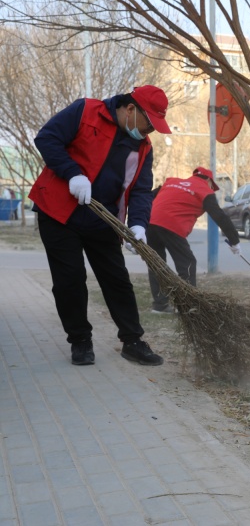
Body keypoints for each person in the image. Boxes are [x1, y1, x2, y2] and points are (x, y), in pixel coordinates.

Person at [31, 85, 172, 367]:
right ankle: (80, 341)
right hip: (60, 213)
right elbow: (46, 138)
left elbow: (142, 189)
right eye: (149, 124)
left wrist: (139, 225)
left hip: (103, 219)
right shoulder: (85, 111)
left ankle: (132, 341)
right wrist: (72, 174)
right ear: (131, 110)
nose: (150, 132)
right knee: (70, 280)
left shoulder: (143, 147)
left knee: (117, 279)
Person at [147, 167, 241, 313]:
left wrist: (137, 224)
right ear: (208, 181)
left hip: (150, 223)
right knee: (187, 263)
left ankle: (160, 306)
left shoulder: (171, 182)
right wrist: (234, 240)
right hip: (172, 225)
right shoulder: (205, 191)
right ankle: (187, 306)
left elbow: (148, 196)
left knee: (156, 263)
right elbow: (219, 216)